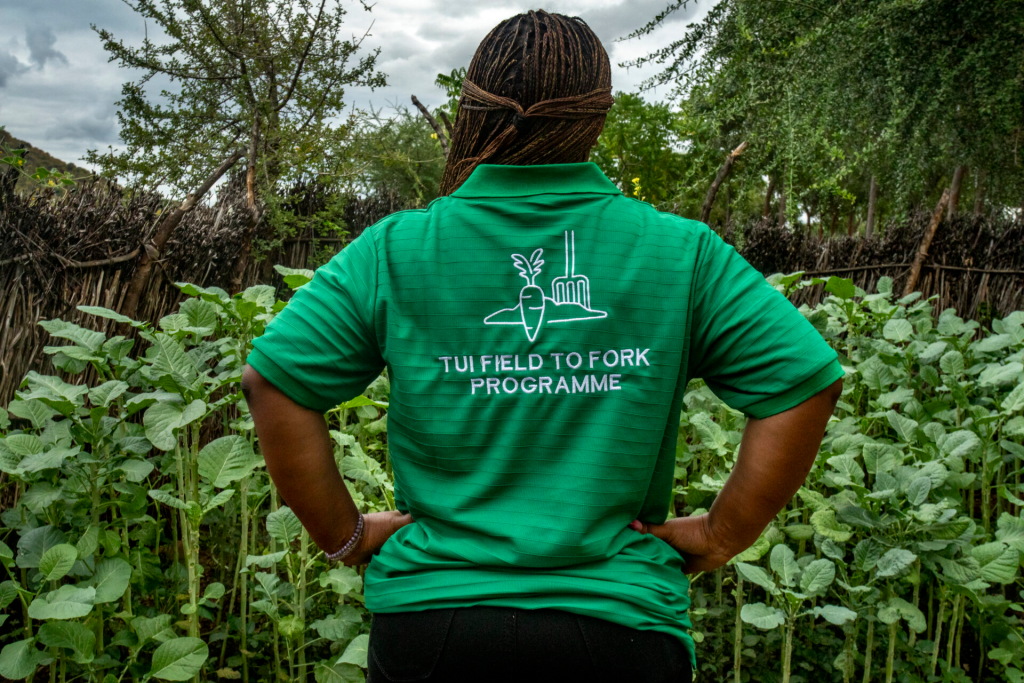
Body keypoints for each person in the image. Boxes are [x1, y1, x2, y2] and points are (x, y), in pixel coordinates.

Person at [241, 9, 843, 683]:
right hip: (620, 625)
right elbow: (804, 380)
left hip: (434, 626)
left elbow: (276, 381)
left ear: (472, 105)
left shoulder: (397, 249)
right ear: (598, 116)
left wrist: (345, 535)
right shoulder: (679, 253)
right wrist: (722, 533)